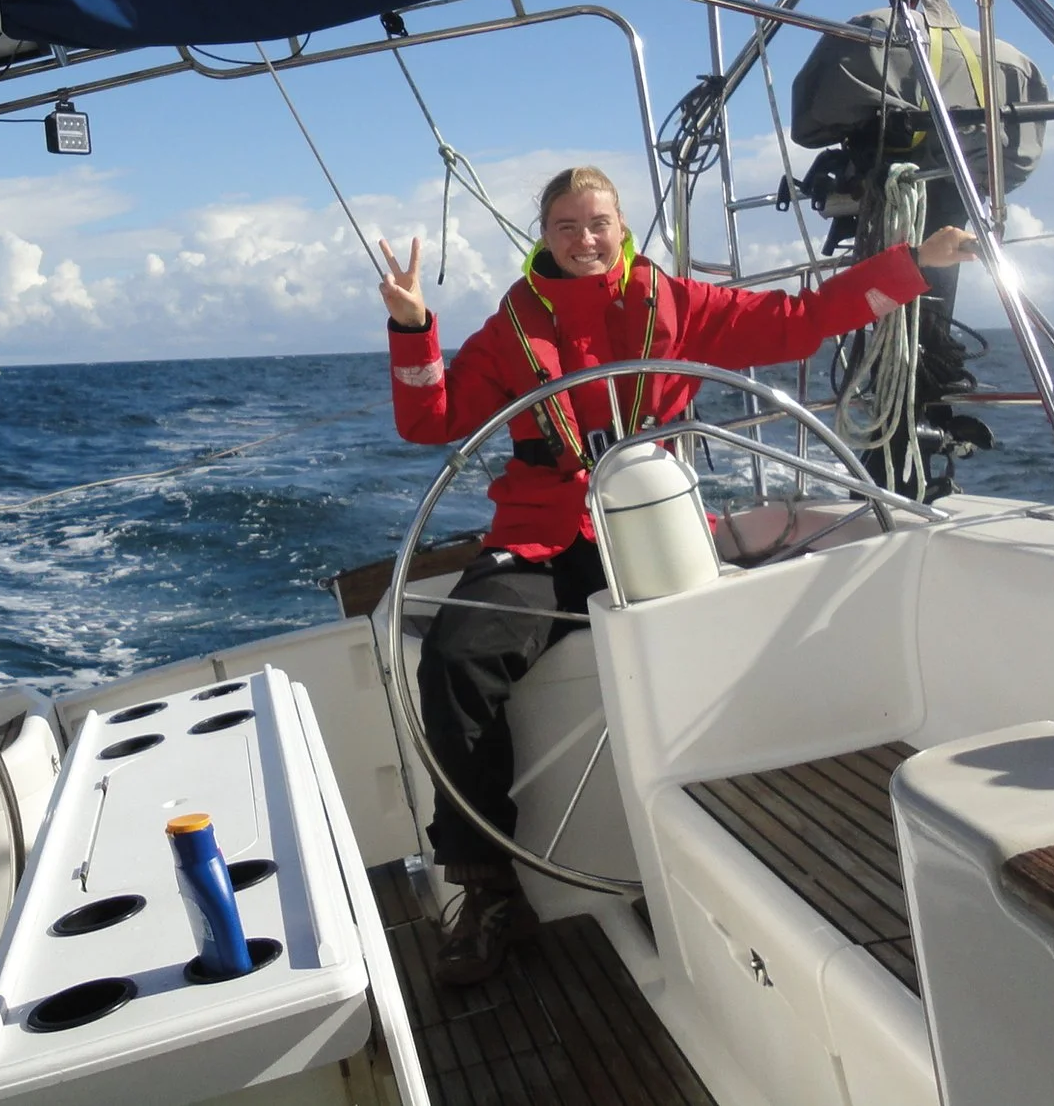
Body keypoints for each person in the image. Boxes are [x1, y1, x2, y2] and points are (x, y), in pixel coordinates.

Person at [380, 164, 979, 984]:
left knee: (724, 641)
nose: (584, 239)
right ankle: (489, 890)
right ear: (542, 237)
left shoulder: (678, 304)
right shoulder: (509, 328)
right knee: (455, 658)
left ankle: (761, 828)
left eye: (598, 222)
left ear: (621, 227)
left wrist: (913, 265)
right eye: (565, 225)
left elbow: (799, 323)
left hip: (652, 516)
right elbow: (431, 420)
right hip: (545, 532)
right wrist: (413, 327)